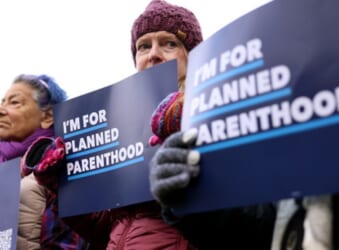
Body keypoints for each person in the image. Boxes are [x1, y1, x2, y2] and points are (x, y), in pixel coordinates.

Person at [21, 0, 203, 249]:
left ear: (192, 55)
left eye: (170, 43)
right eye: (143, 46)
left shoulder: (210, 113)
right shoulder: (121, 130)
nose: (154, 54)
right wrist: (61, 183)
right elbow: (104, 228)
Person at [0, 74, 84, 249]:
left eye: (14, 102)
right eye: (3, 102)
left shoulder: (61, 169)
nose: (1, 109)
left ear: (47, 117)